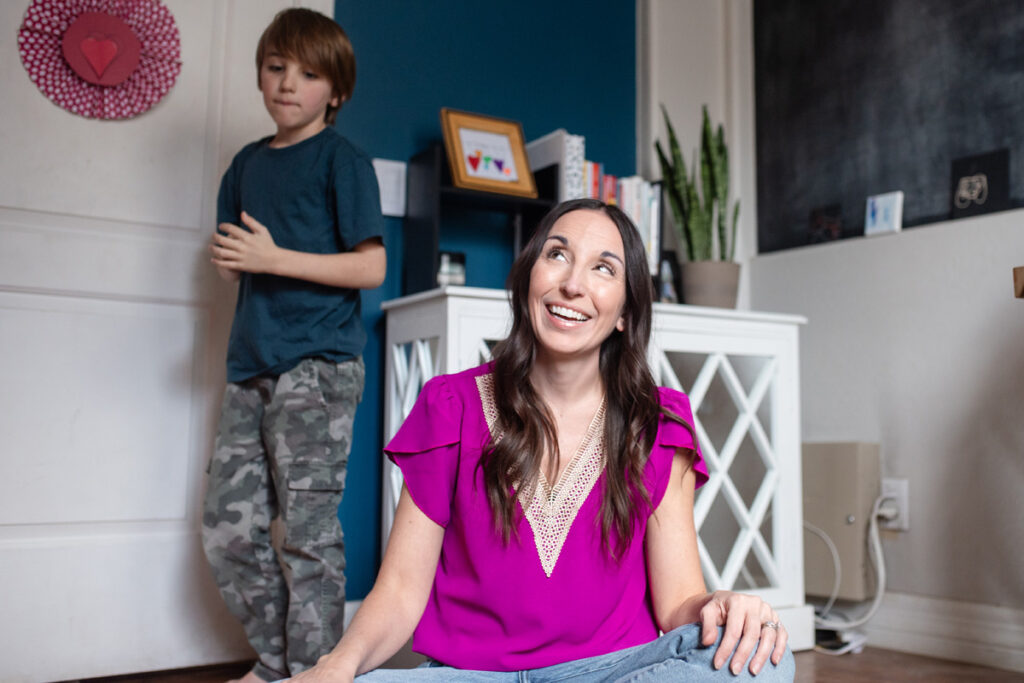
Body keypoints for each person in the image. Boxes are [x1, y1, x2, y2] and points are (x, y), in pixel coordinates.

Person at [291, 199, 793, 682]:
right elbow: (400, 590)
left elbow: (678, 604)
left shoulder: (658, 424)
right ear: (529, 276)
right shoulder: (451, 406)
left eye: (603, 269)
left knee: (766, 660)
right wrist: (338, 665)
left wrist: (724, 607)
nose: (573, 284)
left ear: (624, 311)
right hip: (472, 678)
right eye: (557, 255)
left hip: (611, 673)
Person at [201, 8, 386, 683]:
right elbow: (234, 255)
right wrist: (234, 259)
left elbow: (370, 267)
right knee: (229, 530)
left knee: (309, 533)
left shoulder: (343, 161)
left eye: (308, 74)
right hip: (250, 365)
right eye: (277, 67)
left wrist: (274, 257)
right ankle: (281, 663)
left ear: (334, 92)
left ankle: (314, 670)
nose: (288, 84)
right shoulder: (246, 164)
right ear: (260, 74)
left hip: (320, 367)